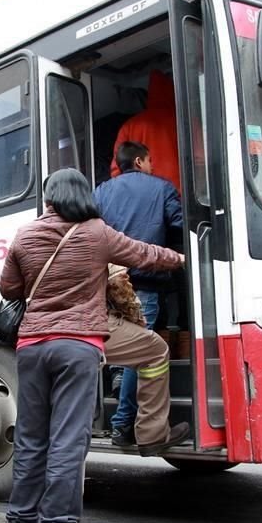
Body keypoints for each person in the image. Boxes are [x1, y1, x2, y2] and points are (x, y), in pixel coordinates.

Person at [0, 168, 185, 523]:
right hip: (77, 345)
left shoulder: (25, 234)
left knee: (33, 436)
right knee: (69, 437)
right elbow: (143, 254)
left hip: (31, 345)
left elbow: (9, 287)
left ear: (49, 197)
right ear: (84, 197)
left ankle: (20, 522)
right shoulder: (96, 231)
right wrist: (180, 257)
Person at [95, 140, 184, 447]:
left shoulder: (102, 191)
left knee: (127, 347)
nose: (152, 166)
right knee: (144, 352)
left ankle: (121, 394)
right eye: (149, 160)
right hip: (144, 283)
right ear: (138, 161)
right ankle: (122, 425)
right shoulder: (162, 188)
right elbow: (181, 224)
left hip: (109, 283)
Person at [109, 70, 180, 189]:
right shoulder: (185, 120)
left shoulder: (129, 126)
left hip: (146, 196)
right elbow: (201, 161)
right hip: (181, 195)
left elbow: (117, 170)